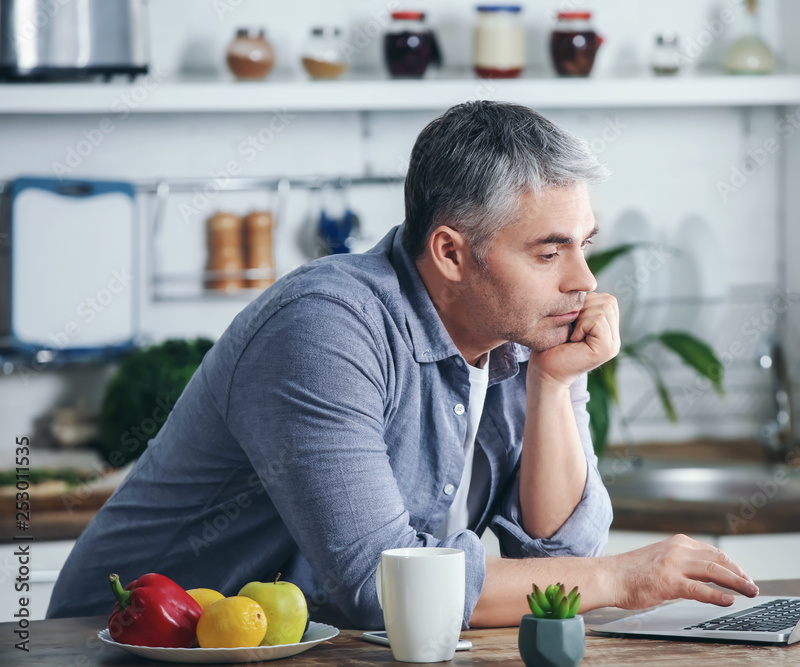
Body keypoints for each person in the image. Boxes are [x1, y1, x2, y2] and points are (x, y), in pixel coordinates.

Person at [47, 101, 757, 628]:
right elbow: (378, 583)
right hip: (121, 644)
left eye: (584, 245)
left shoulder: (517, 326)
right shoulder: (326, 328)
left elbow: (552, 563)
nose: (584, 279)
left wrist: (556, 381)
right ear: (451, 253)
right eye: (549, 252)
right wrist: (619, 579)